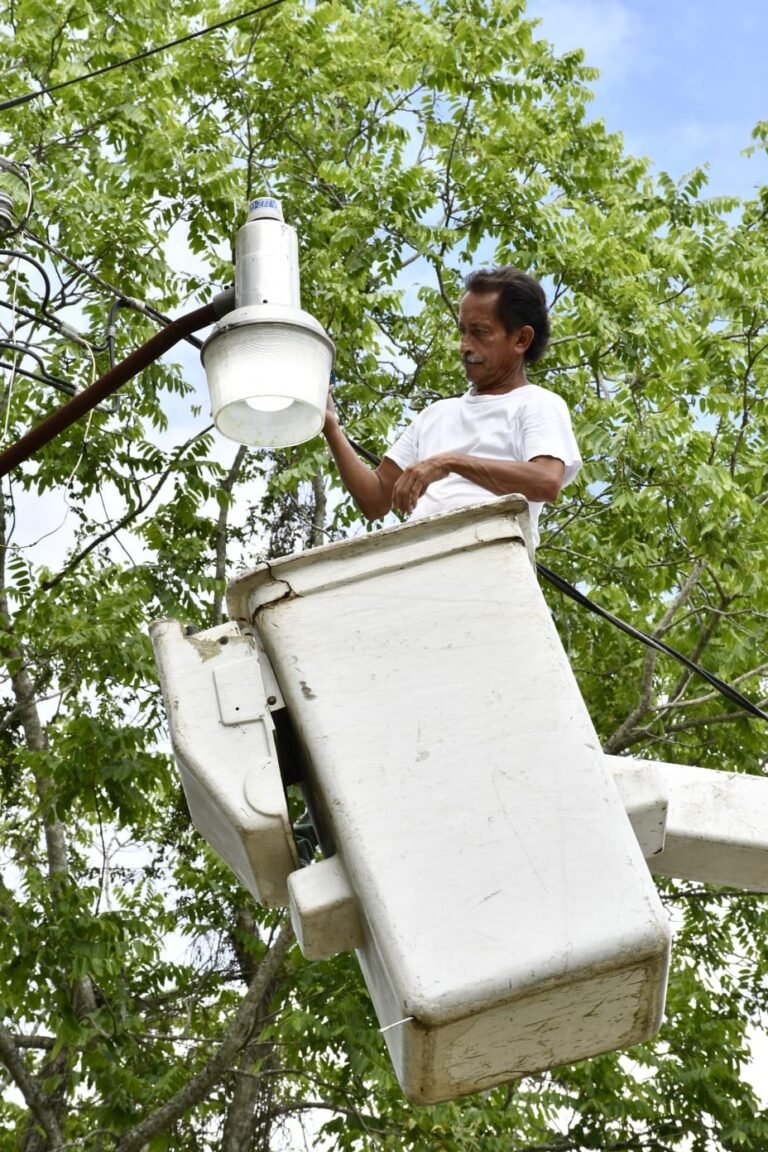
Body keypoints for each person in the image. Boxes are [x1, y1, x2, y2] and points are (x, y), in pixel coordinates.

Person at [322, 266, 581, 548]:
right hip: (420, 567)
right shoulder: (436, 415)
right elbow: (376, 500)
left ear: (521, 339)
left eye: (480, 332)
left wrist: (450, 463)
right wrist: (330, 426)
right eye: (463, 332)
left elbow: (546, 482)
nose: (465, 346)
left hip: (492, 568)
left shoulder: (538, 403)